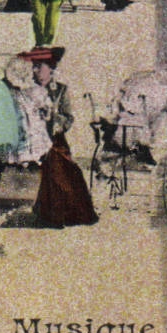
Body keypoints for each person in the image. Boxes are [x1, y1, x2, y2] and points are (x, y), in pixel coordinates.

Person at [21, 47, 97, 228]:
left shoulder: (61, 90)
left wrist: (53, 118)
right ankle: (51, 215)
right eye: (34, 67)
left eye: (40, 67)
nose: (36, 71)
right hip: (33, 138)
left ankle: (70, 213)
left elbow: (68, 118)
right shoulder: (26, 89)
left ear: (51, 69)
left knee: (69, 168)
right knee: (55, 164)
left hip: (55, 139)